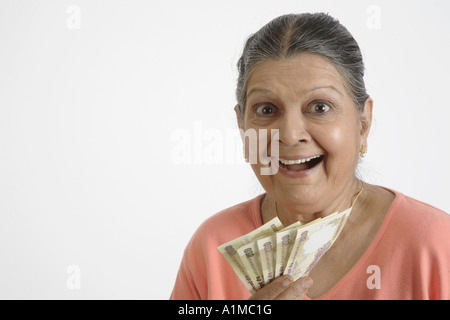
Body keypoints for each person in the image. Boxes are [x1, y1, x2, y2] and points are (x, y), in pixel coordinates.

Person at [170, 13, 450, 300]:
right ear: (242, 125)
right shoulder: (212, 245)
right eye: (266, 109)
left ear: (363, 123)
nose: (290, 135)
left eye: (320, 107)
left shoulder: (437, 245)